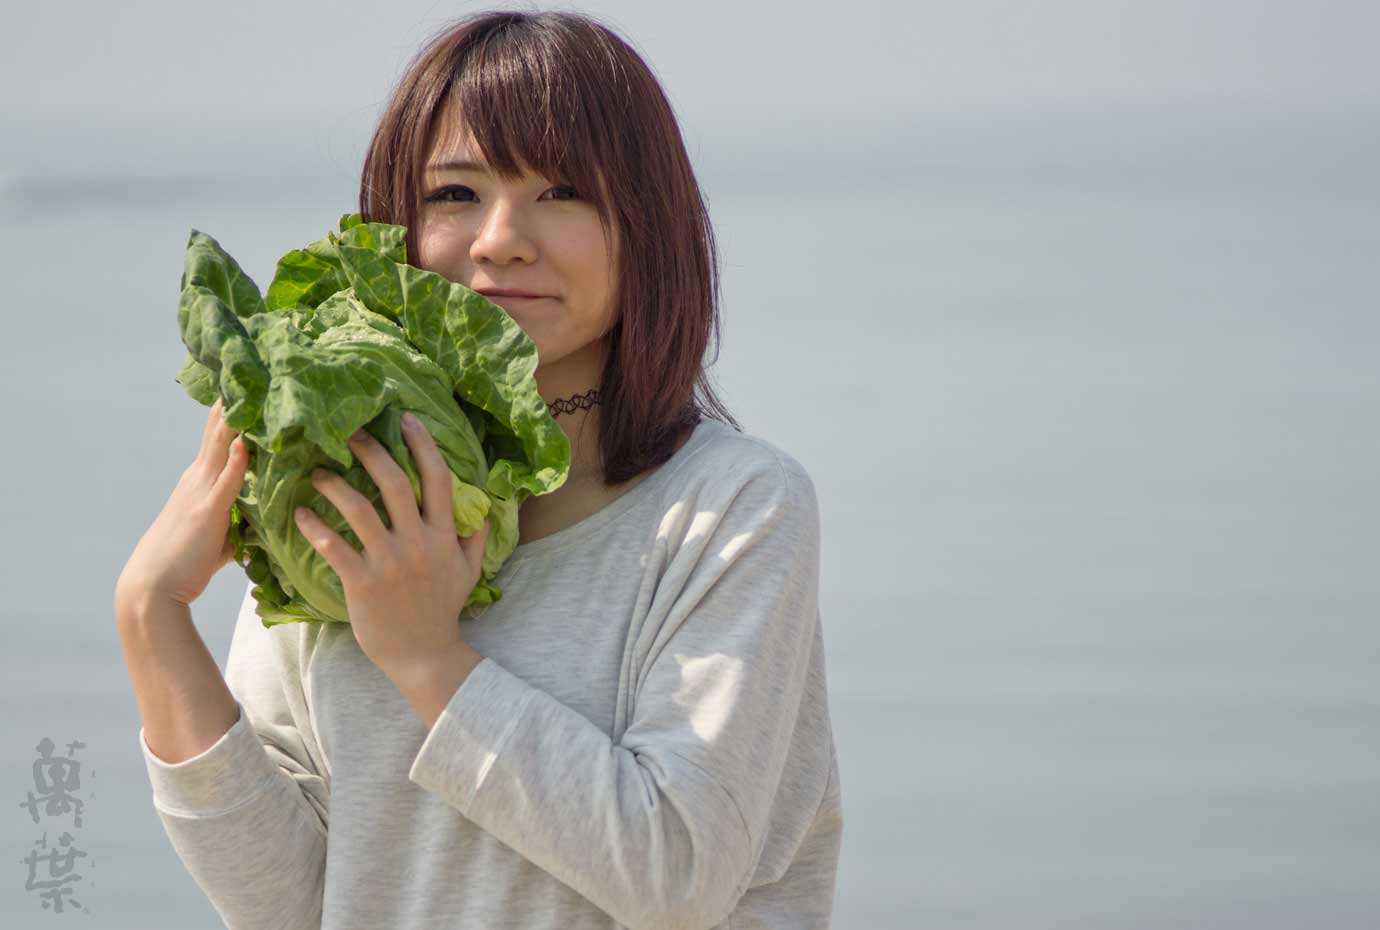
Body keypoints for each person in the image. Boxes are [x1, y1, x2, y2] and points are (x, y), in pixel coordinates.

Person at [114, 9, 842, 929]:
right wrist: (151, 615)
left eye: (565, 191)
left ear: (648, 227)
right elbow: (291, 906)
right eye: (455, 193)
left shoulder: (730, 509)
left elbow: (677, 875)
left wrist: (428, 659)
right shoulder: (345, 494)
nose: (501, 238)